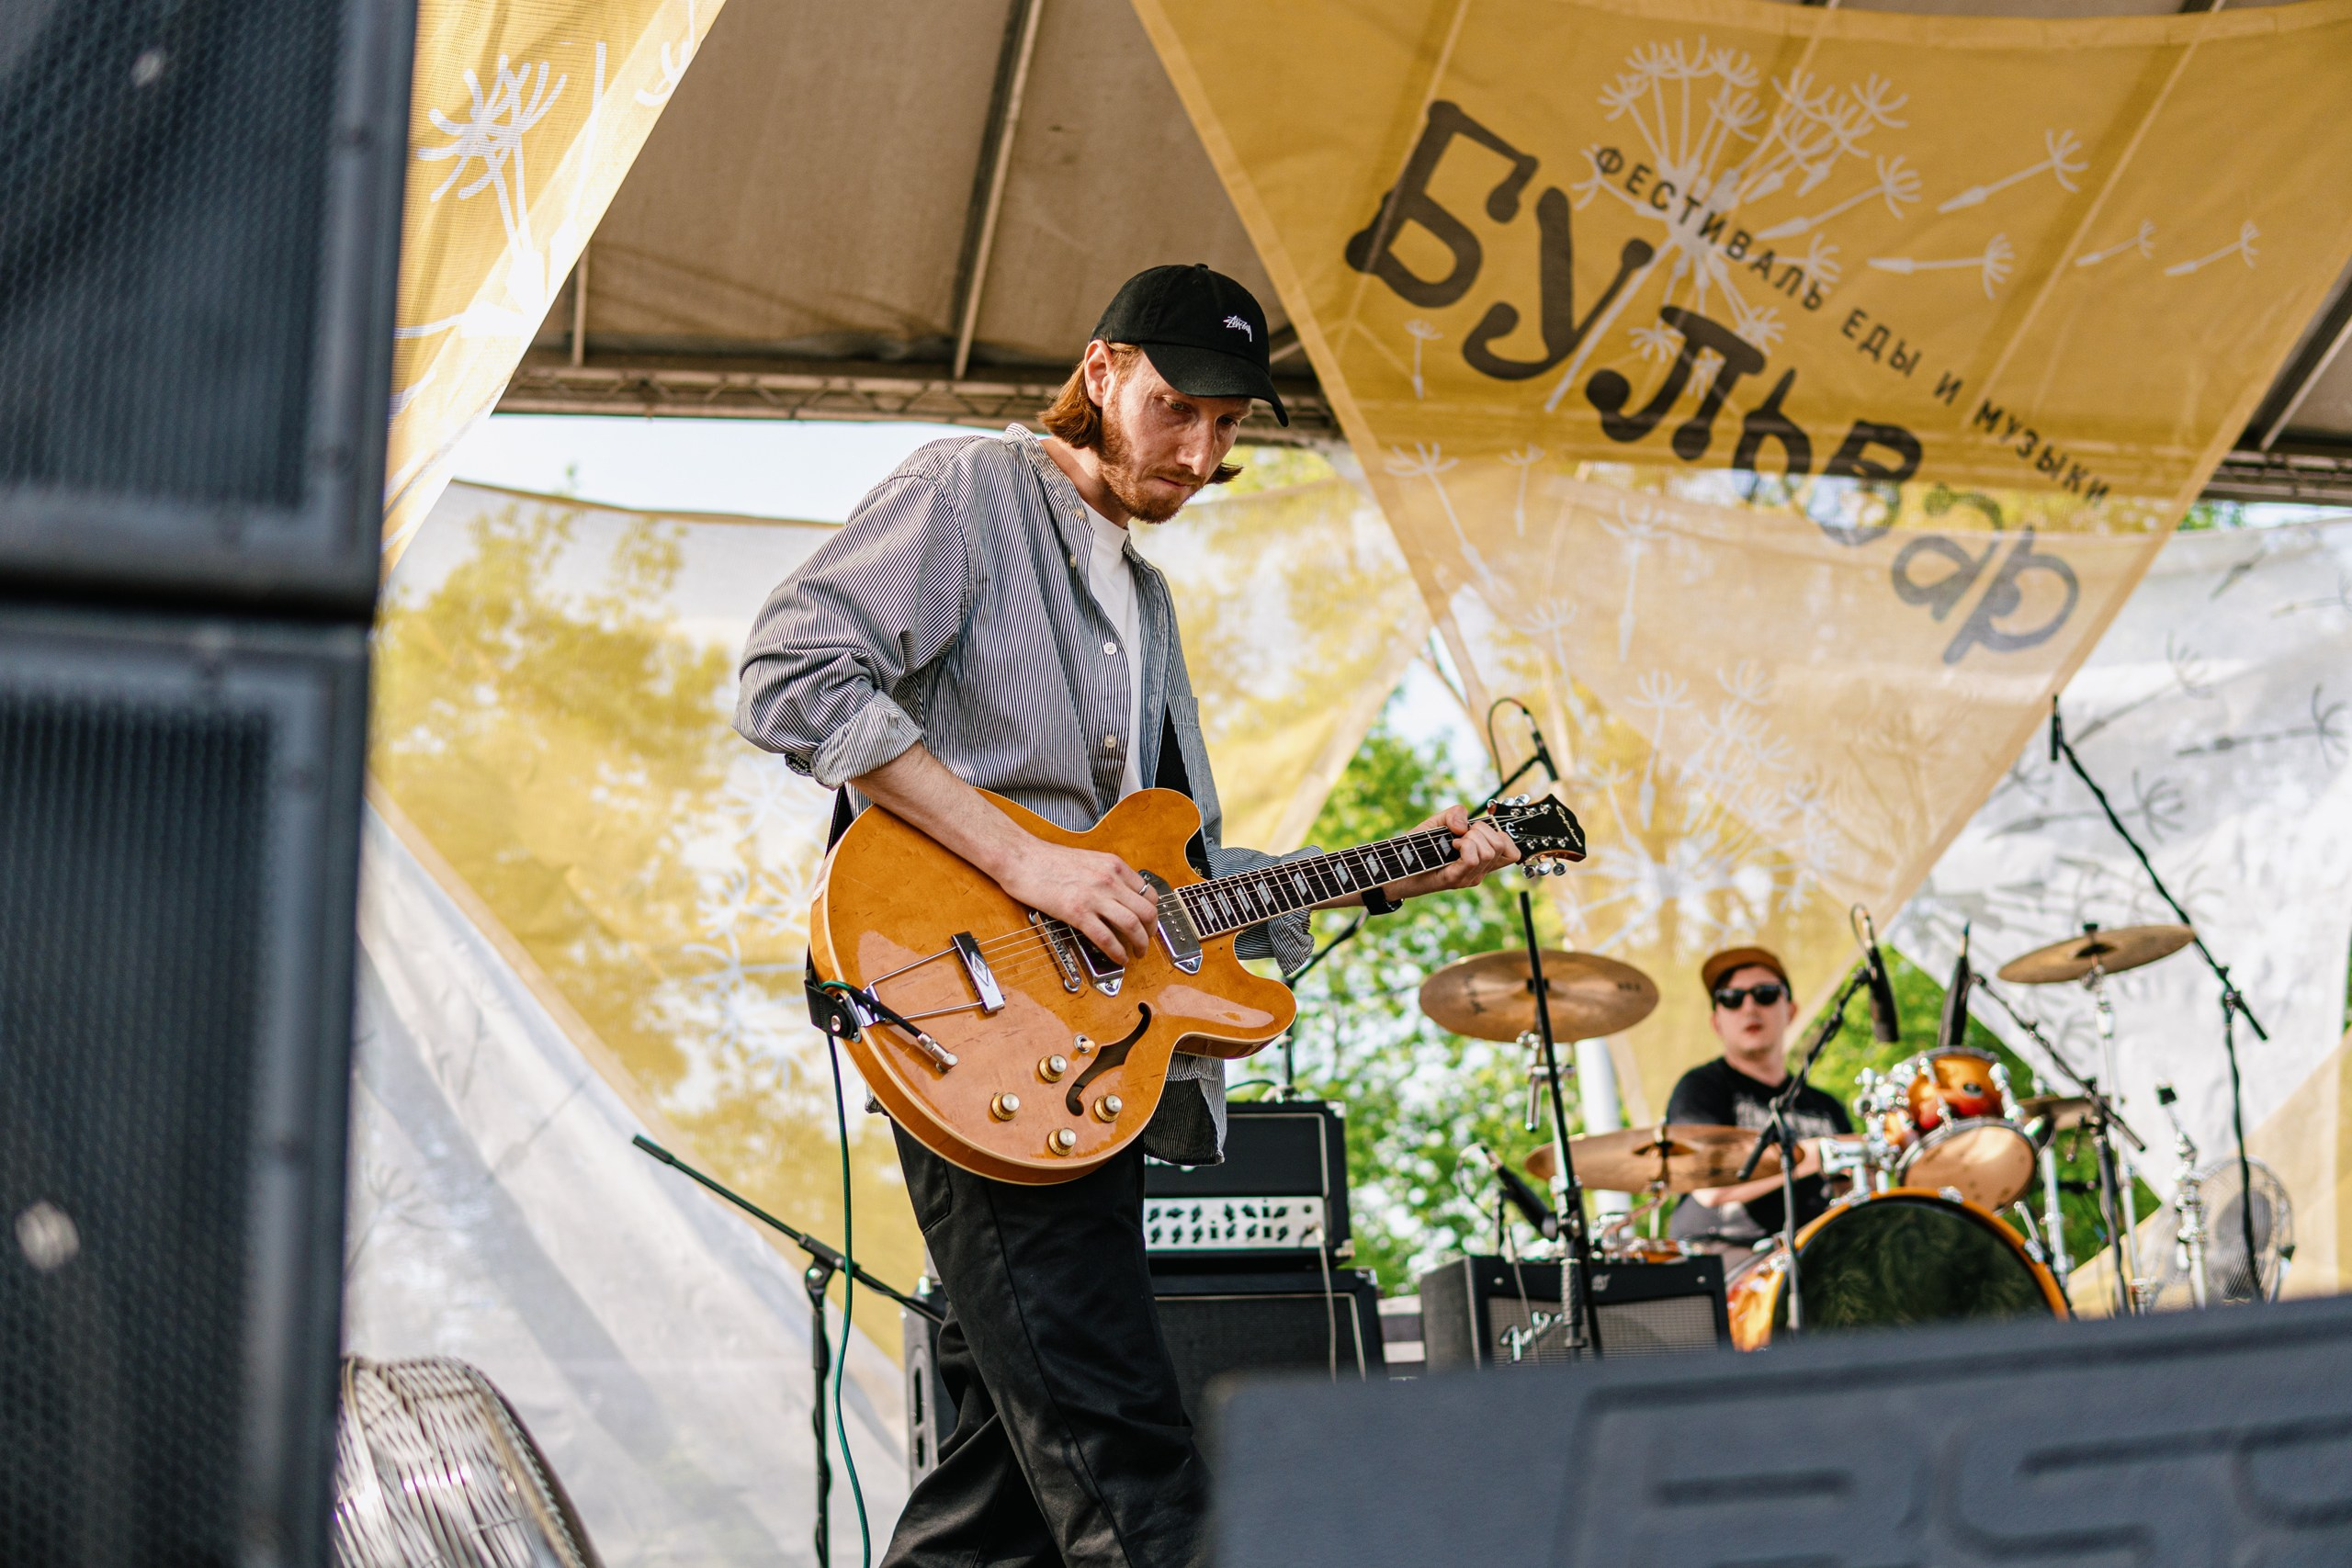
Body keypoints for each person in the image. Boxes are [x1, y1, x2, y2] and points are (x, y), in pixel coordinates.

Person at [734, 263, 1519, 1568]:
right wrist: (1029, 867)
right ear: (1099, 371)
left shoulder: (1143, 601)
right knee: (1137, 1476)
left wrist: (1387, 866)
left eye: (1230, 426)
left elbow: (1161, 877)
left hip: (1085, 1068)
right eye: (1176, 408)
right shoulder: (971, 494)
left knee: (995, 1505)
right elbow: (791, 671)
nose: (1201, 450)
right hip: (976, 1032)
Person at [1666, 946, 1855, 1247]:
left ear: (1791, 1010)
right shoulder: (1700, 1088)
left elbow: (1853, 1196)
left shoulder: (1826, 1106)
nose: (1750, 1008)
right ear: (1716, 1022)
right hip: (1728, 1259)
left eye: (1765, 994)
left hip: (1819, 1251)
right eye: (1732, 999)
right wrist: (1816, 1154)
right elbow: (1710, 1188)